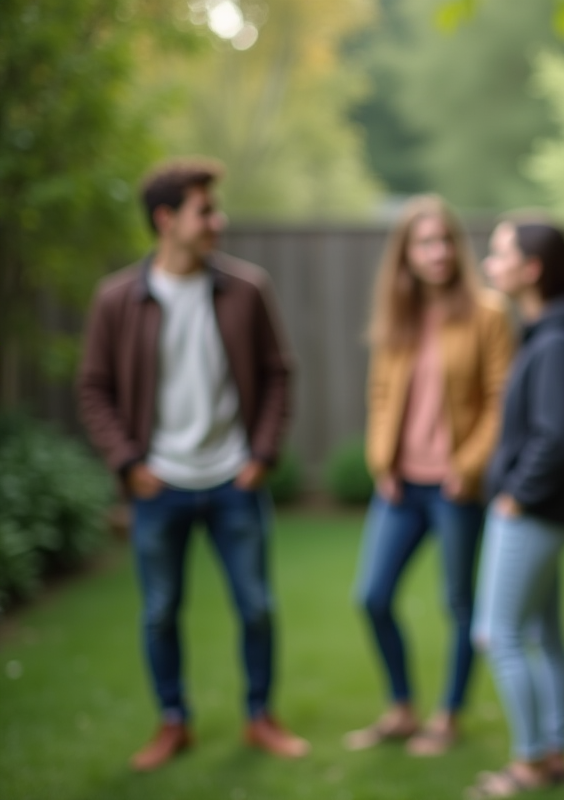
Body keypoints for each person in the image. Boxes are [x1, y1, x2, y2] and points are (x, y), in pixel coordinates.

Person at [77, 159, 308, 771]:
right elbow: (94, 389)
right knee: (159, 612)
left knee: (256, 606)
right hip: (158, 487)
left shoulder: (247, 289)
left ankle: (260, 717)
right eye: (205, 210)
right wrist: (128, 463)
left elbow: (278, 375)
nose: (217, 220)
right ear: (166, 219)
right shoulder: (116, 299)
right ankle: (173, 722)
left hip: (236, 481)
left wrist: (261, 455)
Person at [344, 195, 514, 755]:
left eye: (444, 240)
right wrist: (380, 463)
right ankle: (400, 706)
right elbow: (380, 393)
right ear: (407, 254)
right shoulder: (399, 315)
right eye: (424, 243)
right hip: (400, 487)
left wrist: (466, 468)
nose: (437, 252)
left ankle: (448, 715)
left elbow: (499, 402)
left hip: (454, 488)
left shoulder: (487, 313)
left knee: (460, 604)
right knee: (372, 595)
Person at [465, 220, 564, 798]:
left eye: (500, 254)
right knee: (543, 634)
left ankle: (527, 763)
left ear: (533, 268)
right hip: (543, 510)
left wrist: (517, 496)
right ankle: (553, 754)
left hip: (533, 511)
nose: (489, 264)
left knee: (497, 634)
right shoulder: (549, 334)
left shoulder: (554, 343)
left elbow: (557, 438)